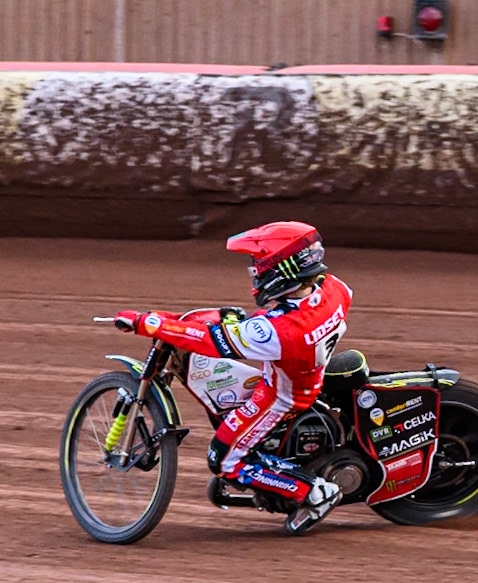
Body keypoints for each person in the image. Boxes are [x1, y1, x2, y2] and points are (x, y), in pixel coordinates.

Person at [112, 221, 352, 535]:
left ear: (283, 269)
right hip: (303, 373)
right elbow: (282, 317)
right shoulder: (335, 290)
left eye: (260, 265)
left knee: (222, 460)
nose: (255, 271)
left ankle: (315, 493)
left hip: (281, 398)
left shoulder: (280, 331)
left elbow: (209, 341)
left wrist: (148, 323)